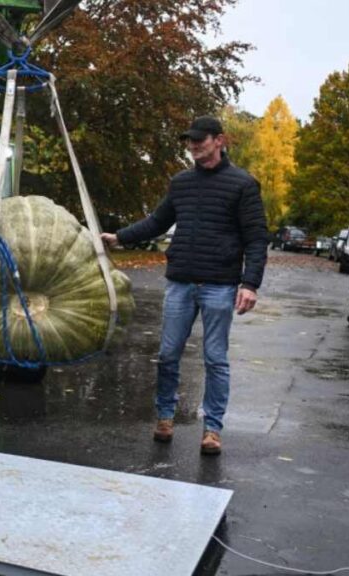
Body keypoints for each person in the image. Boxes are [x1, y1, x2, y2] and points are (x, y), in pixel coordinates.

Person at [101, 116, 268, 456]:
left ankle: (212, 429)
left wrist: (250, 284)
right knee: (167, 355)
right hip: (180, 282)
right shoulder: (181, 183)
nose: (193, 146)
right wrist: (119, 237)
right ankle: (165, 417)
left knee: (215, 358)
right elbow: (158, 221)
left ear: (219, 140)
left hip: (219, 285)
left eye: (200, 140)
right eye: (190, 141)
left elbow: (256, 239)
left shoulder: (243, 184)